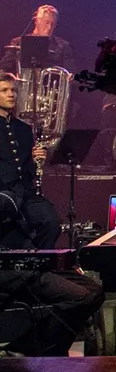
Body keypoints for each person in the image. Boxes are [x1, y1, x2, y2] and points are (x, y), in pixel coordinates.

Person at [0, 73, 61, 250]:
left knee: (51, 222)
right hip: (3, 193)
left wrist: (35, 161)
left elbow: (27, 172)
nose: (11, 94)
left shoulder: (23, 128)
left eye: (13, 90)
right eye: (4, 90)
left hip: (23, 192)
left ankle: (36, 261)